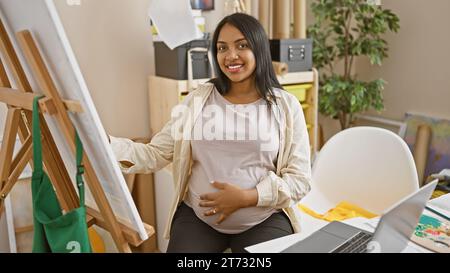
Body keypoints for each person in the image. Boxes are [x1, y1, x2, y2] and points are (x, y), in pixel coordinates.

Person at [110, 13, 312, 253]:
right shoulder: (199, 99)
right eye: (222, 47)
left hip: (263, 219)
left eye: (242, 45)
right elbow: (155, 153)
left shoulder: (286, 106)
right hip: (199, 219)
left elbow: (300, 180)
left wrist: (249, 197)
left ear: (259, 49)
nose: (231, 55)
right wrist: (104, 144)